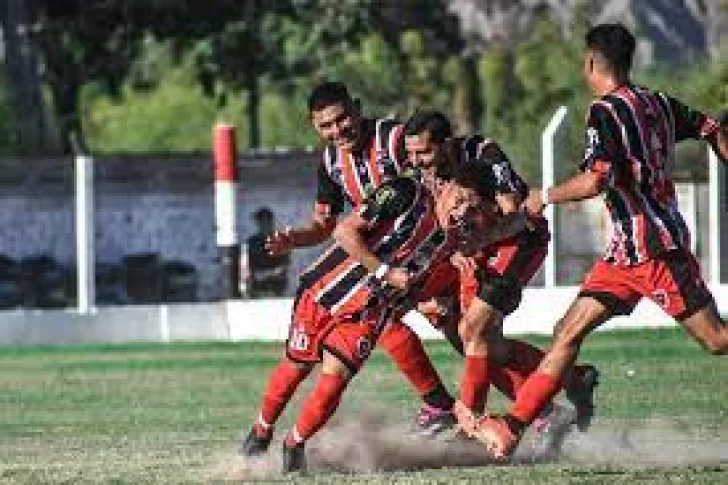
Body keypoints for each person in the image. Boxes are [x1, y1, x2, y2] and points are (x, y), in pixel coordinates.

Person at [472, 22, 728, 460]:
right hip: (623, 256)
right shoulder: (659, 102)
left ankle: (517, 423)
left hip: (655, 252)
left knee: (717, 340)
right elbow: (709, 127)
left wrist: (544, 196)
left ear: (591, 62)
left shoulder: (604, 112)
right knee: (566, 331)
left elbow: (597, 179)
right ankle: (514, 427)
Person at [240, 163, 507, 473]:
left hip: (369, 312)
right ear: (444, 185)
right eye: (458, 199)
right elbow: (344, 231)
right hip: (323, 290)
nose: (459, 211)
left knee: (334, 381)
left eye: (470, 207)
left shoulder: (453, 241)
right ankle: (261, 430)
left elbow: (414, 282)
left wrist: (430, 301)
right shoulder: (405, 193)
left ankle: (294, 445)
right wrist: (383, 271)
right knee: (296, 366)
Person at [263, 81, 457, 435]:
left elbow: (440, 157)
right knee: (445, 329)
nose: (338, 131)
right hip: (393, 263)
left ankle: (455, 406)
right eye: (326, 126)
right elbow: (325, 224)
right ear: (314, 126)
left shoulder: (395, 139)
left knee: (466, 328)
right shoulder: (329, 161)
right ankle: (455, 405)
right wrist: (294, 239)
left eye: (343, 119)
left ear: (356, 107)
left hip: (435, 248)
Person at [401, 111, 599, 442]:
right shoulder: (424, 172)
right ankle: (569, 382)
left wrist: (477, 241)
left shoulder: (485, 155)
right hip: (472, 248)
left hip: (516, 240)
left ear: (446, 145)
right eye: (410, 153)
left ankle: (471, 427)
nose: (416, 161)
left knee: (473, 327)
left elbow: (516, 214)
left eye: (423, 152)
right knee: (471, 339)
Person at [240, 207, 291, 298]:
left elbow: (283, 267)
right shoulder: (252, 242)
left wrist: (267, 274)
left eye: (265, 221)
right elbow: (247, 267)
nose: (263, 224)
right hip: (256, 283)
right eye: (260, 221)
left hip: (275, 284)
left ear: (271, 222)